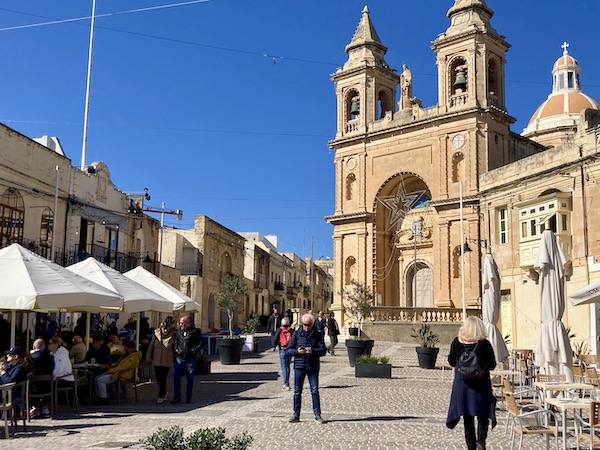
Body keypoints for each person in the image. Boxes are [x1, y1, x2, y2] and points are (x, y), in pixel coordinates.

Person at [446, 316, 497, 450]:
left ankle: (471, 447)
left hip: (463, 385)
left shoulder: (456, 342)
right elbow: (492, 364)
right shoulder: (484, 344)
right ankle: (481, 442)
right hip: (481, 385)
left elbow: (451, 361)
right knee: (483, 414)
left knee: (467, 418)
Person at [286, 313, 326, 424]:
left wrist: (313, 351)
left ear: (312, 324)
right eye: (304, 324)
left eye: (308, 325)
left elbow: (323, 350)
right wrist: (297, 352)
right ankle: (296, 414)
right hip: (299, 366)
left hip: (312, 366)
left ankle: (317, 415)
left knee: (314, 391)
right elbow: (288, 350)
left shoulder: (317, 334)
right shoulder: (297, 334)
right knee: (297, 391)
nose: (306, 327)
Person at [94, 341, 141, 405]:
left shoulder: (133, 357)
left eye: (126, 347)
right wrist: (111, 366)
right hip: (116, 372)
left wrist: (110, 371)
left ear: (131, 348)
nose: (124, 348)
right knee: (96, 378)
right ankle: (99, 397)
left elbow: (123, 367)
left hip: (120, 374)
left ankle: (103, 398)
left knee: (100, 380)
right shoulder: (126, 355)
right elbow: (118, 364)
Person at [172, 314, 203, 404]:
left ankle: (188, 396)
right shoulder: (178, 332)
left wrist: (194, 350)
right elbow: (176, 343)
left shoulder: (195, 332)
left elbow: (201, 343)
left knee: (190, 378)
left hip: (190, 358)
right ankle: (177, 397)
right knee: (176, 377)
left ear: (188, 323)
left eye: (183, 323)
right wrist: (177, 350)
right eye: (180, 323)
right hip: (180, 358)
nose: (181, 325)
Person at [146, 322, 175, 404]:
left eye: (167, 328)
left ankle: (161, 395)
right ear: (161, 328)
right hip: (157, 360)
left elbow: (171, 347)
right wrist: (148, 358)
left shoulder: (173, 336)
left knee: (163, 377)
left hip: (167, 360)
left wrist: (176, 360)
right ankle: (164, 391)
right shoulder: (156, 336)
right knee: (158, 378)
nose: (165, 330)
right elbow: (150, 347)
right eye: (163, 328)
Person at [28, 339, 54, 418]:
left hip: (34, 387)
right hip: (48, 386)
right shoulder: (51, 358)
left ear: (34, 347)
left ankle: (28, 408)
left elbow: (31, 373)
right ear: (44, 347)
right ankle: (43, 407)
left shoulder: (32, 358)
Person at [274, 317, 293, 391]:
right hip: (290, 350)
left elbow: (275, 340)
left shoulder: (280, 330)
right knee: (287, 366)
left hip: (282, 349)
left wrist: (275, 345)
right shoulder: (291, 330)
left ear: (282, 323)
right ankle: (287, 383)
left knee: (284, 367)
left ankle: (286, 384)